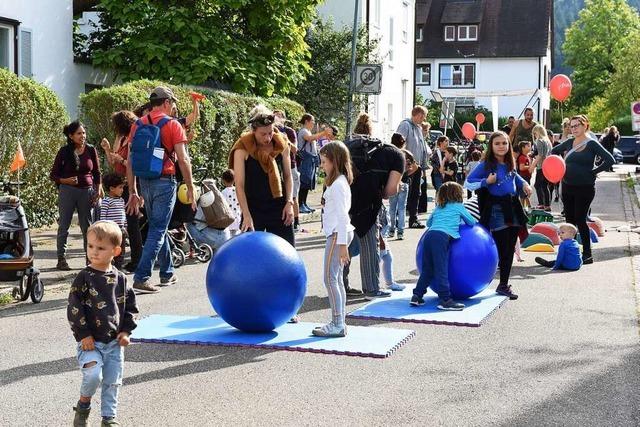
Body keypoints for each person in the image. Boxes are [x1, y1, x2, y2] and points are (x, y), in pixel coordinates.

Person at [126, 86, 197, 294]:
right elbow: (183, 159)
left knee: (159, 226)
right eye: (173, 103)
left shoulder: (137, 124)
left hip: (144, 181)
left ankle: (167, 272)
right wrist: (191, 187)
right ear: (166, 103)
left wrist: (132, 190)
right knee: (157, 229)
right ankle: (142, 277)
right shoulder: (173, 125)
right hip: (165, 181)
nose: (174, 107)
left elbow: (130, 160)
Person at [67, 221, 138, 427]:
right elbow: (74, 308)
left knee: (112, 382)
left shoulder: (122, 279)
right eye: (90, 246)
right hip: (90, 342)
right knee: (93, 376)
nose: (94, 252)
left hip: (114, 344)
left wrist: (126, 331)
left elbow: (131, 307)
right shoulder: (84, 277)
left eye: (100, 248)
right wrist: (83, 335)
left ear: (116, 251)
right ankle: (83, 406)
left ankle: (109, 419)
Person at [465, 131, 533, 300]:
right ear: (491, 146)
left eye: (504, 143)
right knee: (502, 247)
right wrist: (485, 182)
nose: (501, 146)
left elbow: (514, 176)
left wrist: (524, 184)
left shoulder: (510, 163)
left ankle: (503, 284)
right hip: (496, 209)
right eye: (497, 143)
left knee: (510, 247)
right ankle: (488, 279)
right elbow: (468, 182)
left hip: (513, 207)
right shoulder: (486, 165)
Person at [348, 119, 404, 299]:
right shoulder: (394, 154)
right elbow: (390, 191)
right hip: (369, 203)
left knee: (344, 244)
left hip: (341, 200)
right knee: (369, 246)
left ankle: (341, 284)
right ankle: (371, 289)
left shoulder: (344, 147)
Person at [551, 115, 614, 264]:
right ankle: (569, 251)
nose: (574, 129)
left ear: (585, 125)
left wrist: (593, 172)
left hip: (585, 188)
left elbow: (610, 159)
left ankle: (587, 254)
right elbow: (554, 151)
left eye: (576, 126)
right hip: (567, 186)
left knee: (580, 219)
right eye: (571, 126)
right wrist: (558, 167)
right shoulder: (569, 142)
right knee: (569, 221)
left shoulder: (592, 144)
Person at [230, 105, 295, 246]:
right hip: (253, 207)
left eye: (270, 132)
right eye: (263, 134)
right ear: (253, 131)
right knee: (251, 254)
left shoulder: (281, 144)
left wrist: (289, 202)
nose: (268, 138)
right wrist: (246, 215)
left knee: (285, 252)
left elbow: (288, 177)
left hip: (279, 206)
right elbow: (239, 185)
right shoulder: (242, 148)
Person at [410, 182, 477, 310]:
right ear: (458, 194)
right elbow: (471, 222)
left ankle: (417, 296)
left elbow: (429, 223)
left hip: (429, 237)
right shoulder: (458, 207)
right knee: (441, 269)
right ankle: (445, 299)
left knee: (428, 269)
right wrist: (458, 220)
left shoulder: (438, 207)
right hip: (441, 238)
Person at [312, 141, 354, 338]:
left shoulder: (338, 185)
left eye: (324, 162)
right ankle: (339, 321)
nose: (322, 166)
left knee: (330, 279)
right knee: (335, 279)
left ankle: (337, 323)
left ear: (334, 161)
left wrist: (343, 244)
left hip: (338, 234)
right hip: (339, 233)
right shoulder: (340, 182)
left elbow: (343, 215)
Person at [50, 121, 102, 271]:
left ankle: (90, 259)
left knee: (87, 227)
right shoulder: (64, 152)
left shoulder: (91, 150)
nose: (83, 136)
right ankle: (61, 259)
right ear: (71, 136)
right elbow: (53, 175)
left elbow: (97, 172)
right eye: (79, 133)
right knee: (64, 225)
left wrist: (98, 189)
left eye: (84, 133)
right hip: (67, 191)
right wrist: (65, 180)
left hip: (86, 191)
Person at [100, 110, 142, 273]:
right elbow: (112, 161)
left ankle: (137, 260)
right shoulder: (121, 138)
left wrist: (123, 160)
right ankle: (123, 260)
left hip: (129, 185)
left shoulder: (134, 139)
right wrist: (107, 149)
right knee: (124, 226)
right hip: (119, 184)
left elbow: (135, 165)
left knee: (132, 225)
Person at [396, 106, 432, 228]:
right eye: (422, 116)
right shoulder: (405, 125)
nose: (423, 119)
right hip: (408, 166)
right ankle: (397, 220)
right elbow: (398, 144)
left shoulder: (418, 127)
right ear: (415, 114)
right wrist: (407, 162)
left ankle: (413, 219)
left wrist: (422, 166)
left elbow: (421, 146)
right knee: (404, 193)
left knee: (416, 193)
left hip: (417, 167)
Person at [387, 132, 419, 239]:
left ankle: (391, 229)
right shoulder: (407, 154)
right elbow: (415, 167)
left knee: (392, 208)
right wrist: (405, 173)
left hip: (392, 182)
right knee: (402, 208)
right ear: (403, 143)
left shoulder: (390, 152)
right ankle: (400, 231)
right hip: (404, 182)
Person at [274, 110, 302, 230]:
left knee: (293, 195)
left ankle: (296, 221)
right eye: (275, 116)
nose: (277, 119)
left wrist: (286, 140)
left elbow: (295, 149)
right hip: (275, 167)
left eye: (279, 117)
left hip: (290, 166)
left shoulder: (289, 131)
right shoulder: (270, 132)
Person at [297, 113, 327, 214]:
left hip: (310, 160)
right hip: (305, 159)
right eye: (312, 121)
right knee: (304, 181)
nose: (313, 123)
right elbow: (310, 139)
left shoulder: (308, 131)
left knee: (308, 182)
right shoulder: (303, 131)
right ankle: (300, 204)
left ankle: (304, 203)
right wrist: (324, 133)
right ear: (306, 121)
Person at [99, 173, 128, 269]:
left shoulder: (121, 200)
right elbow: (103, 216)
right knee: (110, 250)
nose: (122, 190)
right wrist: (104, 229)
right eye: (120, 187)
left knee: (121, 249)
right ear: (111, 188)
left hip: (121, 230)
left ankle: (119, 267)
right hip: (111, 231)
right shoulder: (107, 201)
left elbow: (123, 214)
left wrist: (125, 226)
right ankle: (109, 267)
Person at [378, 205, 405, 291]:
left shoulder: (382, 205)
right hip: (379, 237)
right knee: (376, 262)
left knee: (388, 258)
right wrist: (380, 239)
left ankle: (389, 283)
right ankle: (373, 286)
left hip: (383, 236)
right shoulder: (377, 204)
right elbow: (376, 225)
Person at [529, 125, 553, 211]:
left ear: (537, 132)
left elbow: (540, 155)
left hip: (541, 166)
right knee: (544, 186)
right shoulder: (548, 141)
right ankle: (547, 204)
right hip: (547, 166)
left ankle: (542, 204)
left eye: (534, 133)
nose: (534, 135)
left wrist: (532, 166)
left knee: (537, 185)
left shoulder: (539, 141)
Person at [219, 169, 242, 237]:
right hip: (238, 219)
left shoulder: (223, 193)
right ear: (234, 180)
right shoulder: (238, 191)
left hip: (228, 220)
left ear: (223, 180)